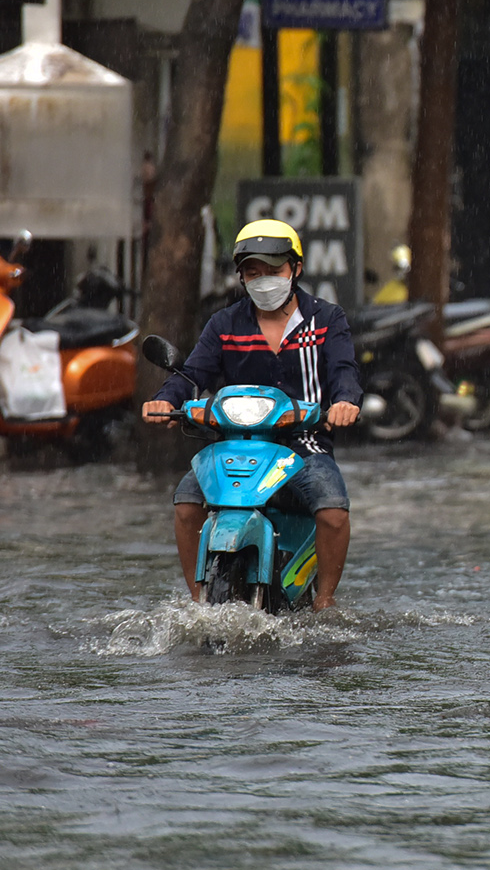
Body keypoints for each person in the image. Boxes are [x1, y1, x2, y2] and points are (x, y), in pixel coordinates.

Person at [143, 220, 362, 609]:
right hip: (233, 445)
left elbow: (344, 372)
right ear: (241, 276)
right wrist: (165, 400)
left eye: (273, 270)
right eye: (252, 271)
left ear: (295, 268)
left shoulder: (327, 320)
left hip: (303, 445)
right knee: (186, 502)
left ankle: (325, 602)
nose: (263, 280)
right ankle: (199, 603)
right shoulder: (224, 324)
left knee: (333, 513)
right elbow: (192, 375)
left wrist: (345, 402)